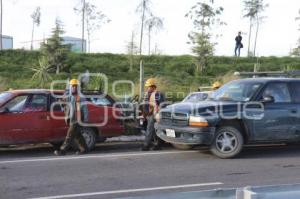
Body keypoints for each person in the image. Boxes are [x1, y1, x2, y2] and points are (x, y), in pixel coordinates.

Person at [54, 79, 89, 156]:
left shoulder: (80, 97)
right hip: (71, 119)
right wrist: (61, 101)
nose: (74, 88)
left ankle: (62, 150)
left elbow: (85, 109)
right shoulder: (69, 96)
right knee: (77, 135)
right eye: (72, 86)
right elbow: (63, 105)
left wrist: (86, 120)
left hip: (77, 120)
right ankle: (84, 149)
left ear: (78, 87)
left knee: (69, 136)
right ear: (70, 87)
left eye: (75, 86)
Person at [141, 78, 164, 151]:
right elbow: (146, 105)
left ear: (153, 86)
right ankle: (157, 145)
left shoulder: (157, 94)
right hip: (149, 115)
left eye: (149, 86)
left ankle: (146, 145)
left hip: (154, 115)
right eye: (147, 87)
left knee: (149, 130)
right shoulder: (148, 93)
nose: (148, 88)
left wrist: (158, 115)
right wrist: (144, 115)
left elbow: (161, 105)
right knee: (154, 131)